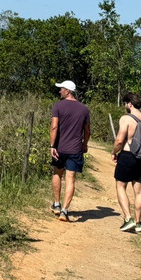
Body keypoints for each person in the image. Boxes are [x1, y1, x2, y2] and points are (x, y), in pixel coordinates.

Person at [50, 80, 90, 222]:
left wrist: (52, 145)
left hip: (60, 148)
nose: (60, 91)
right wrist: (85, 144)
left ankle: (57, 204)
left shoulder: (58, 106)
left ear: (67, 91)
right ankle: (65, 211)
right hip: (75, 149)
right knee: (70, 179)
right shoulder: (84, 109)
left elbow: (54, 127)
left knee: (57, 173)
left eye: (61, 89)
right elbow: (87, 130)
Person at [111, 91, 141, 232]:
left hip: (128, 155)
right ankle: (138, 223)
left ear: (130, 104)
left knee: (120, 186)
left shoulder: (126, 119)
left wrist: (114, 152)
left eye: (125, 103)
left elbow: (119, 140)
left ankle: (128, 219)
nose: (125, 106)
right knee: (138, 191)